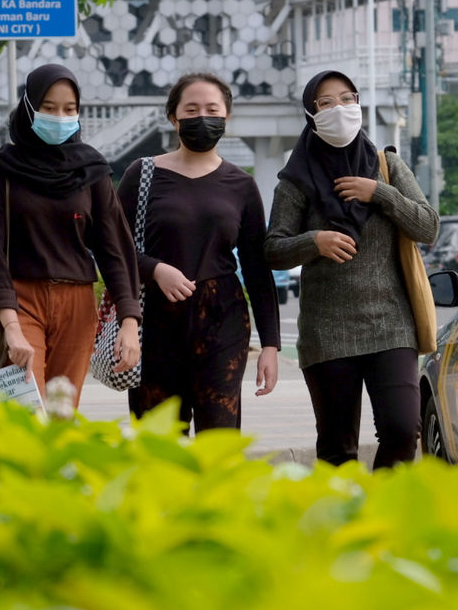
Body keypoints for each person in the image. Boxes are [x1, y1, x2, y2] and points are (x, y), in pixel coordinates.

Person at [265, 70, 439, 469]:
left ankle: (380, 518)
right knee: (337, 447)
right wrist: (315, 241)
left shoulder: (387, 164)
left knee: (401, 429)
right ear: (311, 114)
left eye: (347, 99)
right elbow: (273, 250)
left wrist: (379, 193)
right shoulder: (296, 180)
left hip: (391, 325)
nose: (340, 109)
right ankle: (343, 525)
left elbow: (427, 226)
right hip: (327, 331)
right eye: (326, 103)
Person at [0, 63, 141, 405]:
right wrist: (11, 326)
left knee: (62, 415)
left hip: (77, 304)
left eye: (69, 109)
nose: (60, 116)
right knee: (25, 411)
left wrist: (130, 320)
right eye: (49, 108)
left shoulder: (91, 170)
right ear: (30, 107)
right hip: (19, 302)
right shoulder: (0, 171)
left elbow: (115, 250)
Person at [119, 72, 279, 432]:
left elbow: (257, 267)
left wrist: (270, 345)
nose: (202, 117)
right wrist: (155, 269)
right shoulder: (141, 174)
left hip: (223, 320)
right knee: (159, 446)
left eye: (212, 109)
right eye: (191, 109)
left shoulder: (241, 184)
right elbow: (114, 250)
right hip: (155, 324)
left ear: (226, 117)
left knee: (218, 441)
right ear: (174, 118)